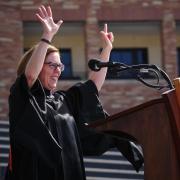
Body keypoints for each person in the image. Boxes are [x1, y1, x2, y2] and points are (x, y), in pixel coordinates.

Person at [6, 5, 143, 180]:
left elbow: (92, 86)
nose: (58, 70)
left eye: (60, 66)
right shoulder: (23, 99)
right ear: (38, 65)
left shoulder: (63, 101)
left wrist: (106, 51)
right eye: (52, 65)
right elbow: (30, 76)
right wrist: (47, 36)